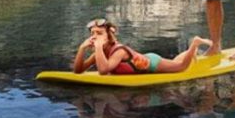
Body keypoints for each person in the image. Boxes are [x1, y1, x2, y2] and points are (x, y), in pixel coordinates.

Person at [72, 18, 209, 74]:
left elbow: (103, 71)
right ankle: (190, 52)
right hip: (143, 59)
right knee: (174, 62)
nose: (95, 36)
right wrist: (81, 49)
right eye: (92, 33)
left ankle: (194, 44)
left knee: (181, 67)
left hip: (152, 63)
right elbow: (78, 71)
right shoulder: (100, 52)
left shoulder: (119, 51)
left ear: (109, 35)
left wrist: (97, 47)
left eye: (99, 33)